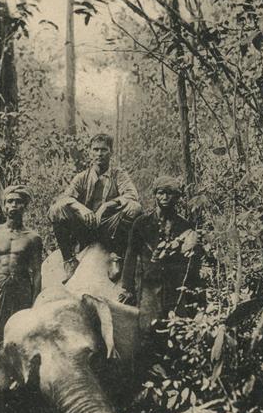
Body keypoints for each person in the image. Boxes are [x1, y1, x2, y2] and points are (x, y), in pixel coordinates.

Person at [49, 133, 142, 280]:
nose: (99, 154)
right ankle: (69, 261)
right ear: (90, 152)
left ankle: (116, 256)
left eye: (103, 150)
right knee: (57, 209)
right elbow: (65, 198)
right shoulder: (82, 177)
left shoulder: (118, 175)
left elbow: (132, 196)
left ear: (111, 152)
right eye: (95, 149)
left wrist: (106, 206)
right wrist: (82, 209)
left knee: (134, 207)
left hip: (108, 227)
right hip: (85, 228)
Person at [118, 175, 201, 333]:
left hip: (174, 285)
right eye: (161, 193)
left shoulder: (184, 225)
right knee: (147, 328)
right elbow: (131, 254)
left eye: (170, 193)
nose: (165, 197)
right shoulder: (141, 223)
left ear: (176, 197)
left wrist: (193, 289)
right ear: (155, 195)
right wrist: (128, 287)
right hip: (149, 283)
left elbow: (192, 260)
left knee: (178, 329)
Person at [0, 185, 43, 339]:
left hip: (22, 286)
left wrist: (36, 305)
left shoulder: (33, 238)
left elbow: (37, 273)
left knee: (23, 333)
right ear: (4, 206)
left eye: (18, 201)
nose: (14, 205)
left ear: (24, 206)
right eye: (10, 201)